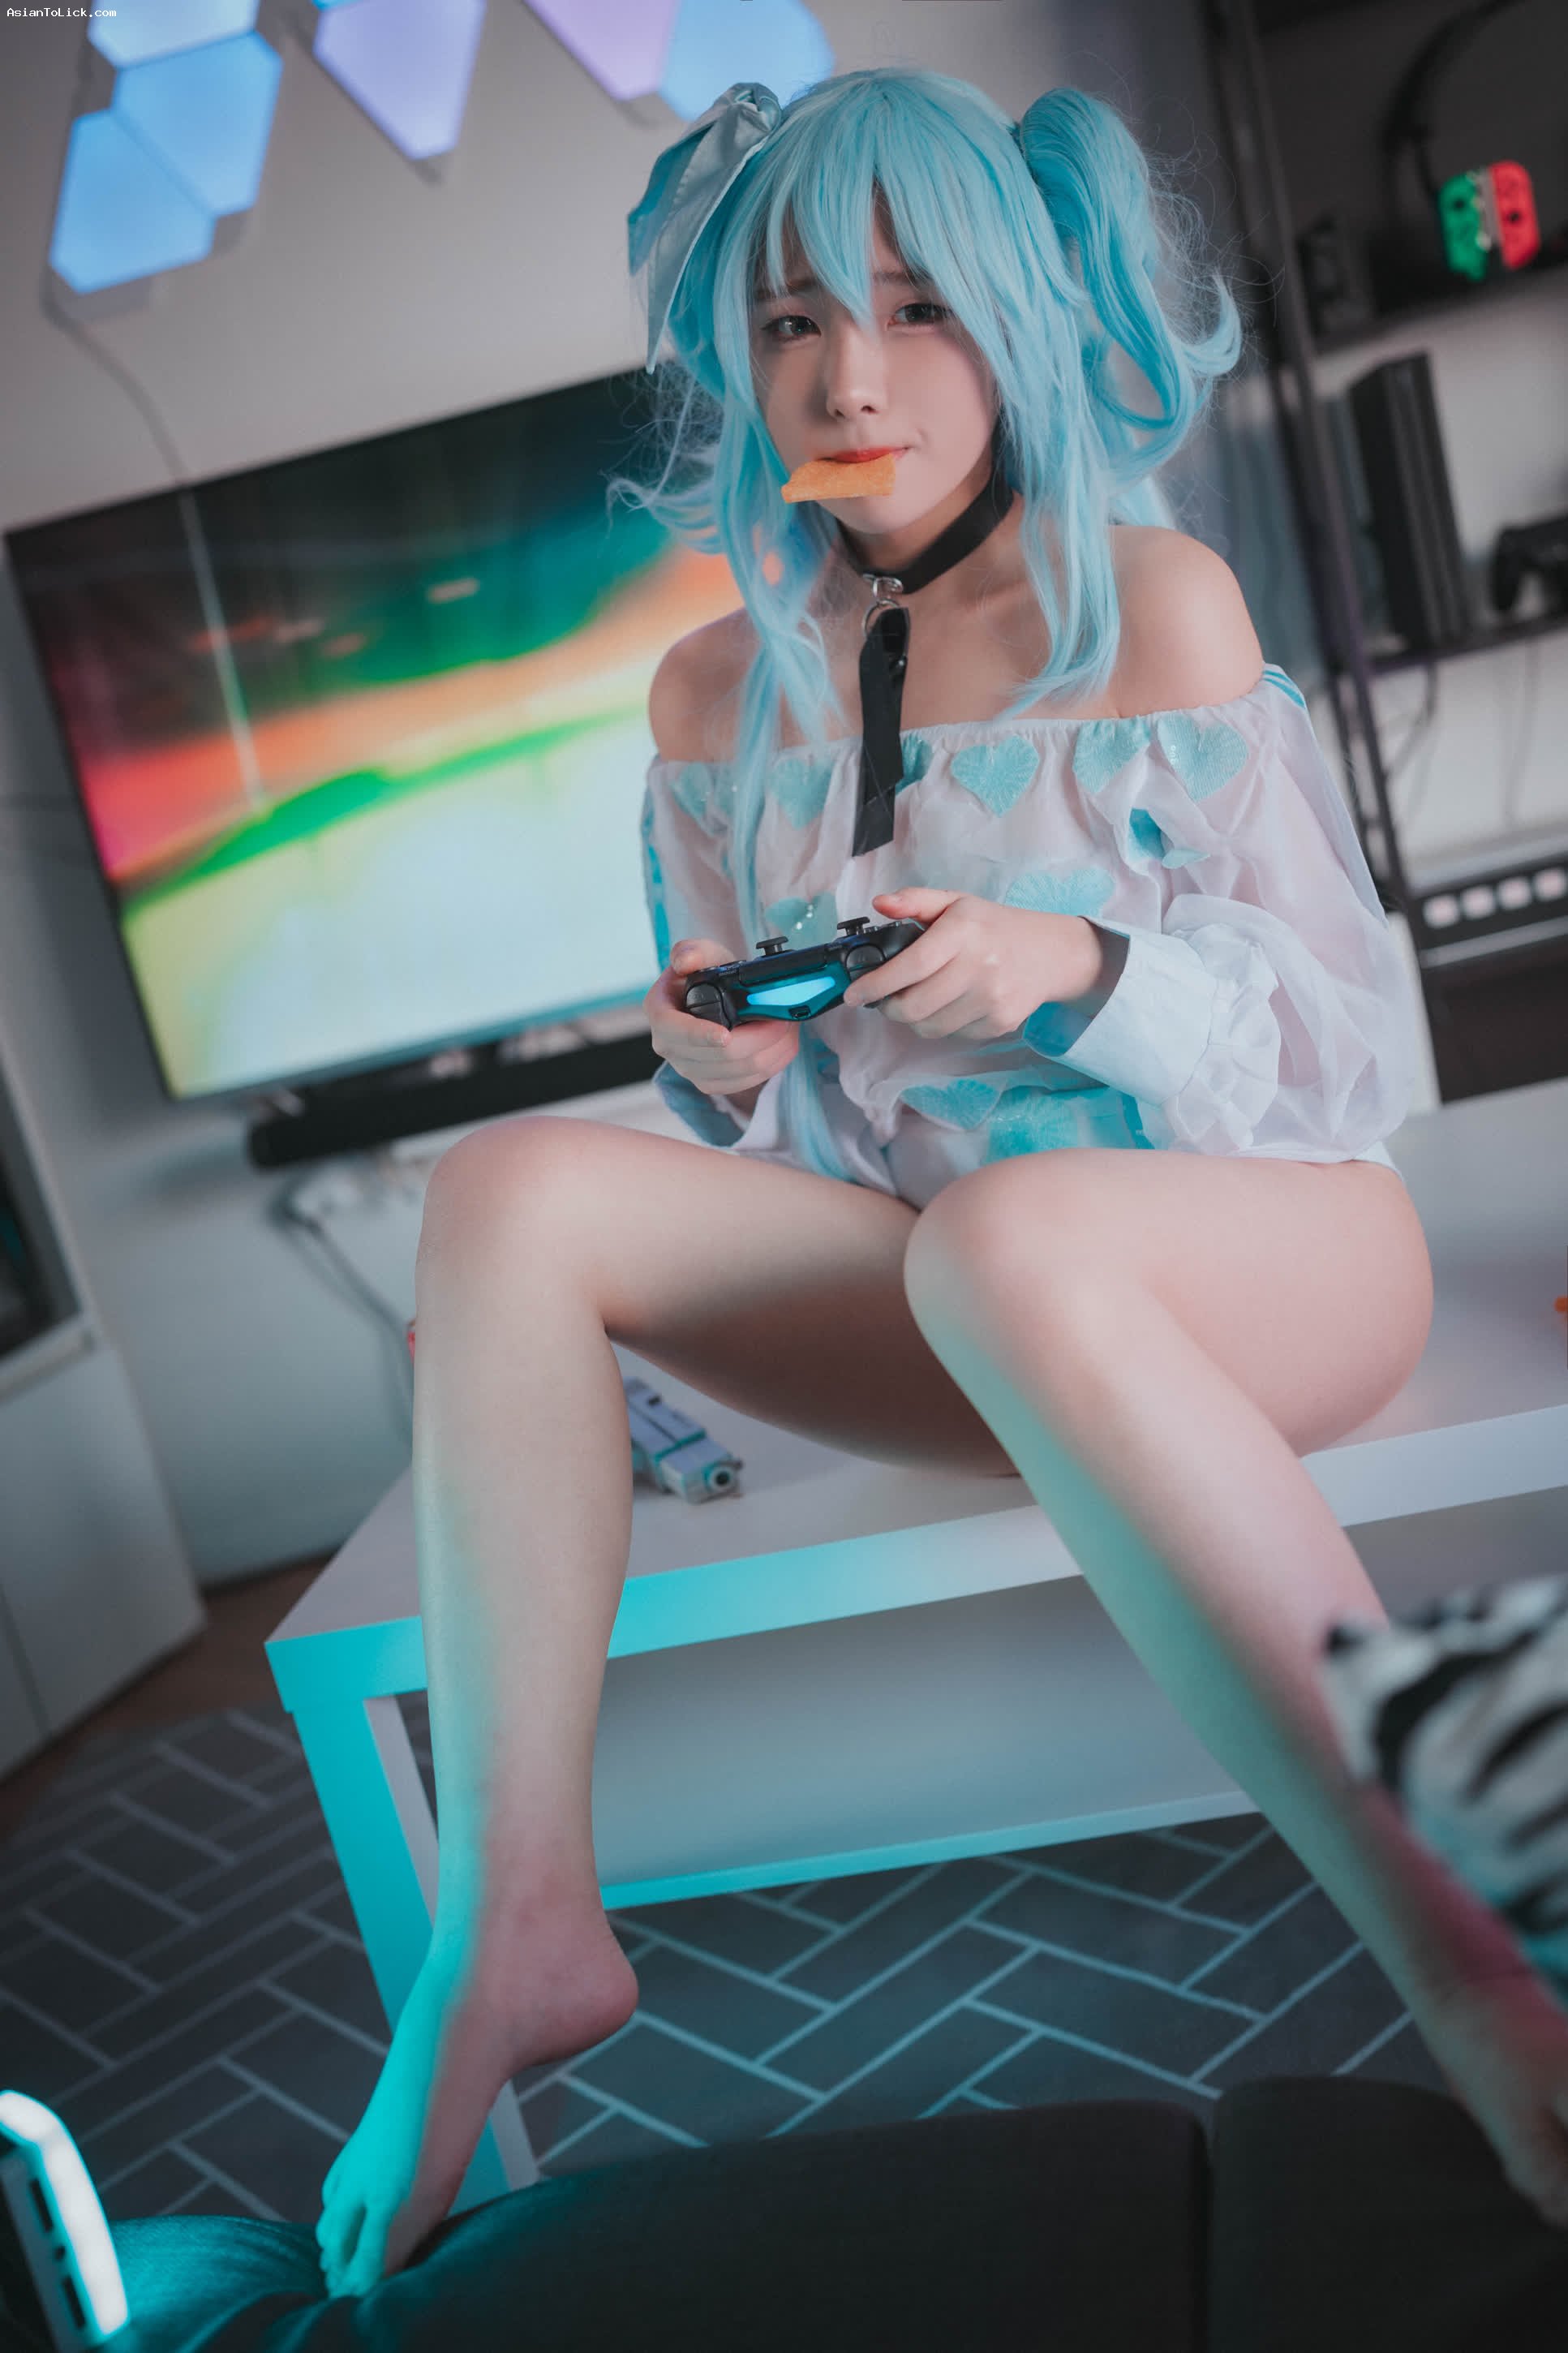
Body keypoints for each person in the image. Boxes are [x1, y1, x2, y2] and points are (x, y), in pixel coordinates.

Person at [314, 67, 1568, 2297]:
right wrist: (712, 1059)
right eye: (794, 321)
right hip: (967, 1294)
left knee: (1011, 1233)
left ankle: (1462, 1953)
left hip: (1278, 1251)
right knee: (505, 1194)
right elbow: (777, 1131)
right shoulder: (712, 697)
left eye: (916, 310)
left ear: (1017, 323)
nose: (852, 378)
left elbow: (1349, 1055)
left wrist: (1077, 972)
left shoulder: (1161, 610)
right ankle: (516, 1921)